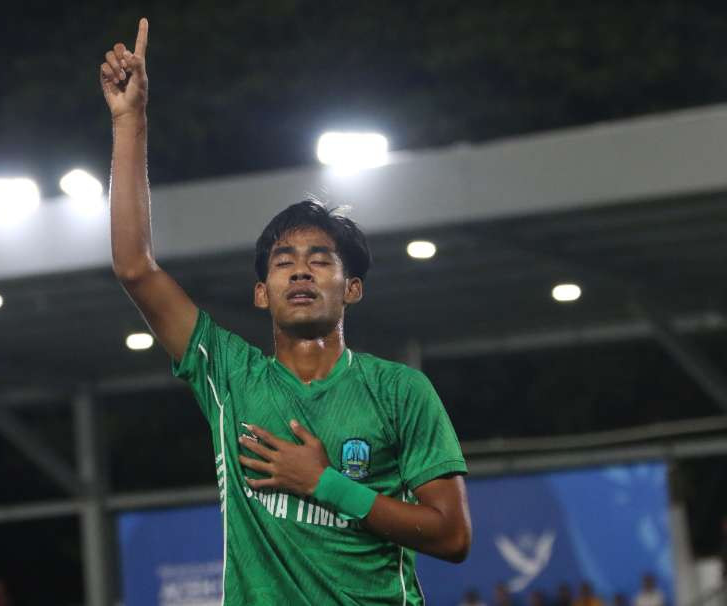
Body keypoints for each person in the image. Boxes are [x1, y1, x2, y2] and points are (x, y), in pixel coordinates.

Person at [100, 17, 472, 604]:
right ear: (261, 292)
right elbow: (134, 268)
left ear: (351, 289)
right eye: (283, 261)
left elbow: (452, 535)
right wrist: (129, 121)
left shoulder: (402, 392)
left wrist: (327, 484)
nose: (301, 270)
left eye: (320, 259)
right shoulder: (228, 375)